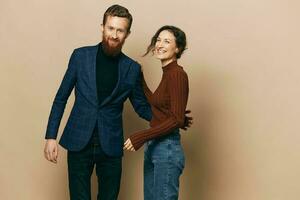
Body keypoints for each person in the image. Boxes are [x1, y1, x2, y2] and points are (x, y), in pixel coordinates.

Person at [44, 5, 191, 200]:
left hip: (111, 146)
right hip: (78, 141)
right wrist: (51, 137)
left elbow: (141, 106)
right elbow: (61, 97)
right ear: (102, 27)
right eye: (111, 28)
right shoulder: (80, 56)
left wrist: (171, 119)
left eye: (120, 30)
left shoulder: (131, 68)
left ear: (127, 33)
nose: (114, 35)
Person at [124, 25, 189, 200]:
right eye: (158, 40)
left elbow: (175, 119)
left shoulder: (176, 74)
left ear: (178, 48)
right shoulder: (168, 73)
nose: (160, 44)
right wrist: (141, 78)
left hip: (166, 148)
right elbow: (157, 103)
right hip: (155, 147)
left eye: (167, 41)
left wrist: (141, 136)